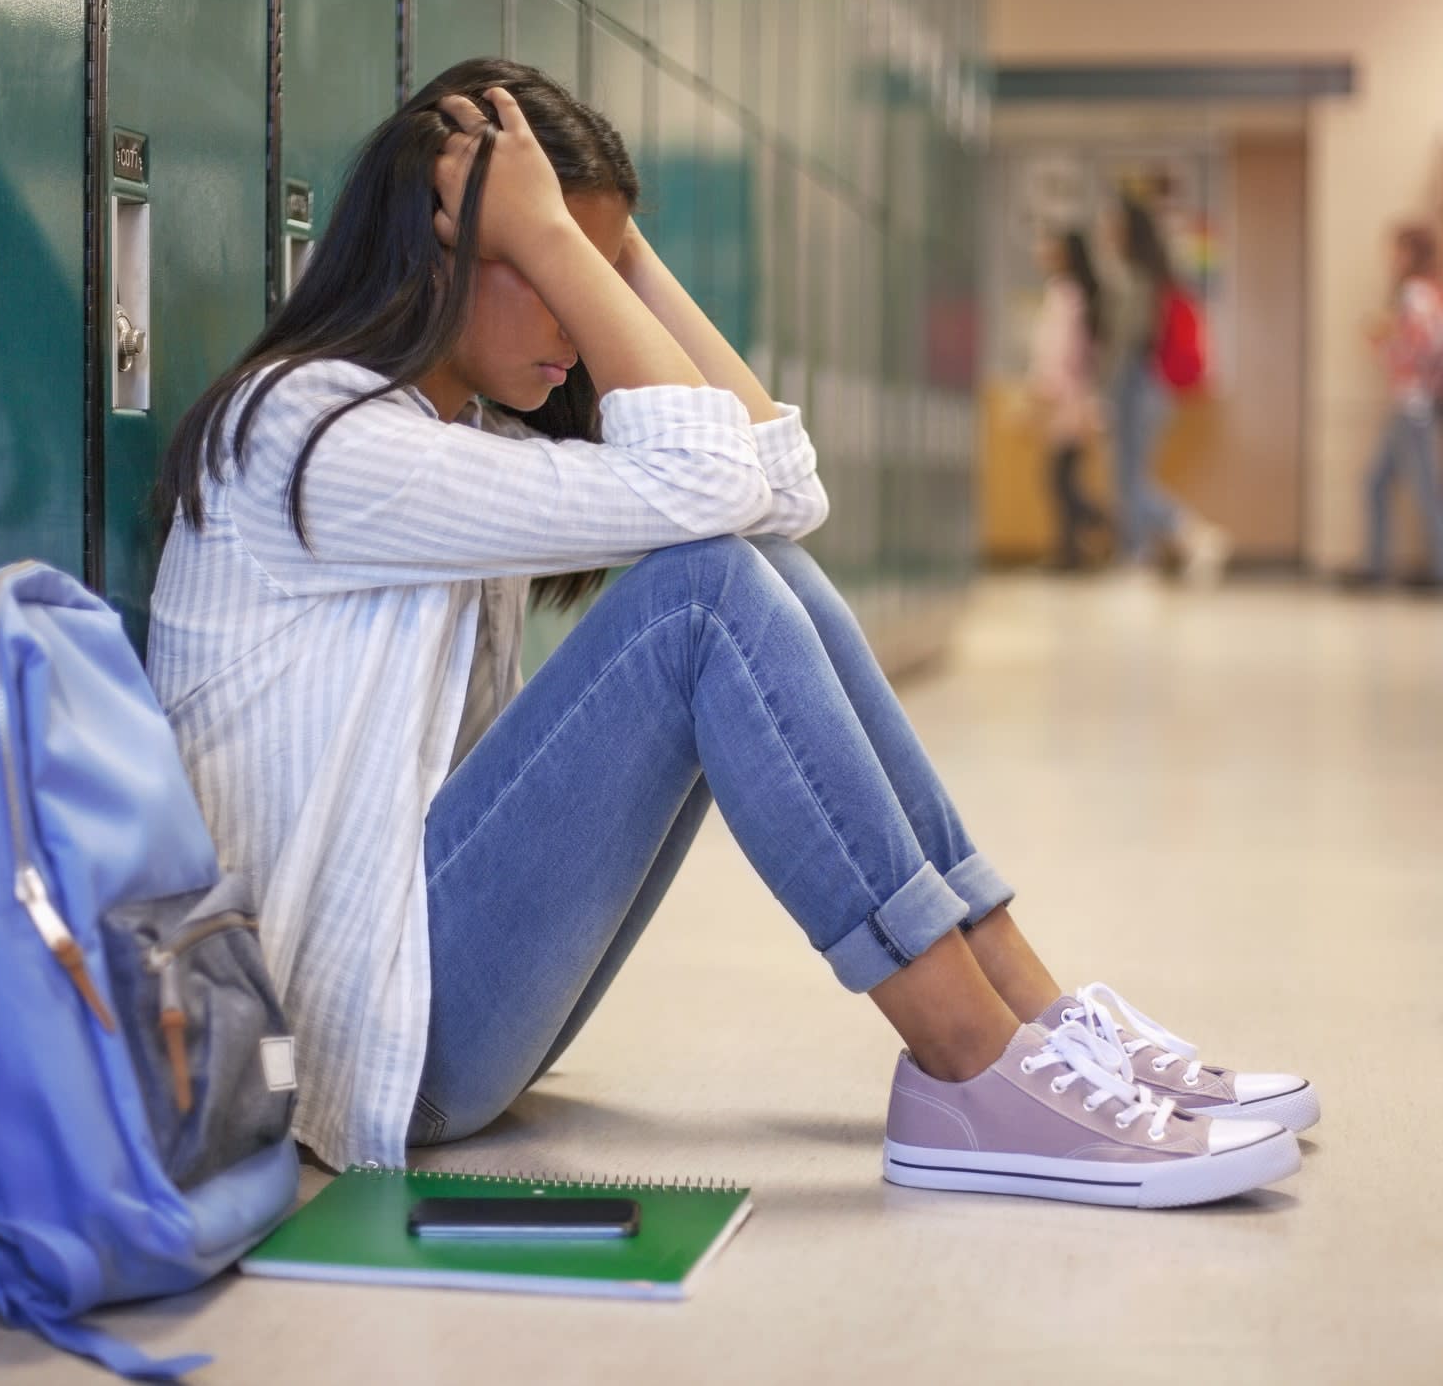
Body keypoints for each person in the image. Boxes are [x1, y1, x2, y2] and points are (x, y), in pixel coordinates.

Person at [145, 60, 1315, 1209]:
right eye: (553, 273)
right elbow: (710, 488)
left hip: (423, 1000)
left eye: (599, 276)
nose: (581, 322)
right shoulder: (309, 438)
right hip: (348, 1047)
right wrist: (563, 243)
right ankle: (967, 1060)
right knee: (703, 596)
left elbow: (779, 487)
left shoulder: (459, 439)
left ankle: (1025, 1018)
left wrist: (601, 244)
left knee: (759, 569)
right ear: (444, 248)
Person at [1102, 197, 1229, 582]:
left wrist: (1102, 388)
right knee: (1128, 477)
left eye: (1113, 226)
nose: (1106, 234)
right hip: (1151, 387)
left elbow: (1128, 340)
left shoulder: (1135, 278)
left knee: (1131, 480)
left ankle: (1192, 532)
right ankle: (1137, 555)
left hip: (1137, 384)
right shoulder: (1156, 277)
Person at [1361, 223, 1443, 590]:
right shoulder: (1439, 292)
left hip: (1414, 402)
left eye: (1396, 251)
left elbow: (1426, 345)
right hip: (1418, 401)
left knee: (1426, 489)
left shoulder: (1415, 293)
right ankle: (1377, 569)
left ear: (1411, 254)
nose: (1390, 259)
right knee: (1376, 483)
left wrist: (1382, 343)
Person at [1026, 230, 1111, 569]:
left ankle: (1097, 524)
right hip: (1073, 397)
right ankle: (1071, 552)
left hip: (1065, 400)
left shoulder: (1066, 296)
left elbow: (1059, 351)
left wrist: (1045, 388)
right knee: (1063, 478)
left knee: (1060, 480)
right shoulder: (1080, 296)